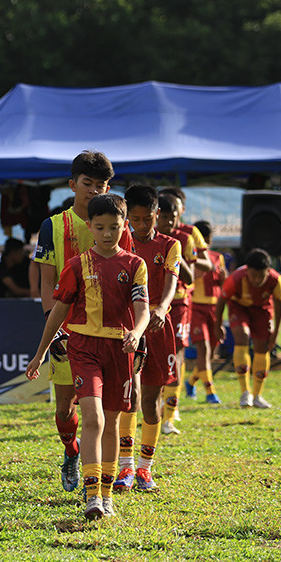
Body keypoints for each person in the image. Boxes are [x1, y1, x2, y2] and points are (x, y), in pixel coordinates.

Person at [25, 194, 149, 520]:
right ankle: (93, 495)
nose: (107, 234)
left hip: (120, 350)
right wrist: (40, 353)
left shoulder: (135, 265)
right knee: (93, 418)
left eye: (114, 227)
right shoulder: (77, 265)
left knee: (112, 422)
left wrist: (137, 332)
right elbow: (57, 312)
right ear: (90, 227)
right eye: (100, 227)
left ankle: (107, 495)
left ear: (124, 227)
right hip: (83, 349)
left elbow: (143, 308)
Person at [32, 150, 133, 493]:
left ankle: (104, 478)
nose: (93, 190)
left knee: (105, 411)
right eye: (87, 183)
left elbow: (130, 276)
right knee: (65, 408)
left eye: (100, 185)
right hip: (69, 332)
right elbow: (47, 282)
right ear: (72, 184)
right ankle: (71, 451)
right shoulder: (53, 226)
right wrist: (55, 328)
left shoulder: (119, 225)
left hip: (110, 334)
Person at [114, 185, 180, 493]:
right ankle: (125, 467)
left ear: (157, 214)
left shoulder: (170, 245)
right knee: (129, 397)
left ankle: (145, 467)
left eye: (147, 219)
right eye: (135, 219)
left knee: (152, 402)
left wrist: (163, 308)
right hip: (128, 328)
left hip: (157, 326)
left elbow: (171, 281)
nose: (141, 225)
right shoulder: (120, 242)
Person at [215, 248, 281, 409]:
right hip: (239, 307)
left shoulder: (276, 280)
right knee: (242, 337)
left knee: (262, 347)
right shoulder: (236, 278)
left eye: (261, 276)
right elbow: (221, 301)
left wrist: (276, 332)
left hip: (262, 309)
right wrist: (218, 325)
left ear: (268, 271)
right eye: (253, 275)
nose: (257, 280)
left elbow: (279, 304)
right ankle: (245, 392)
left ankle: (257, 395)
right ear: (247, 271)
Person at [155, 194, 197, 435]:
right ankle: (153, 407)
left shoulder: (183, 239)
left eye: (172, 217)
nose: (169, 222)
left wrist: (175, 255)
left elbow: (191, 276)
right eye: (164, 217)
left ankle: (170, 415)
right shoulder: (141, 238)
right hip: (149, 304)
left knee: (176, 355)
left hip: (178, 303)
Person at [185, 221, 227, 404]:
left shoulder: (217, 257)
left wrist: (224, 279)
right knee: (203, 348)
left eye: (208, 240)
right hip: (195, 306)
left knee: (210, 353)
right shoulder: (191, 257)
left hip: (214, 308)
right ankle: (210, 391)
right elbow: (185, 281)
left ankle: (190, 382)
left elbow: (222, 286)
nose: (206, 244)